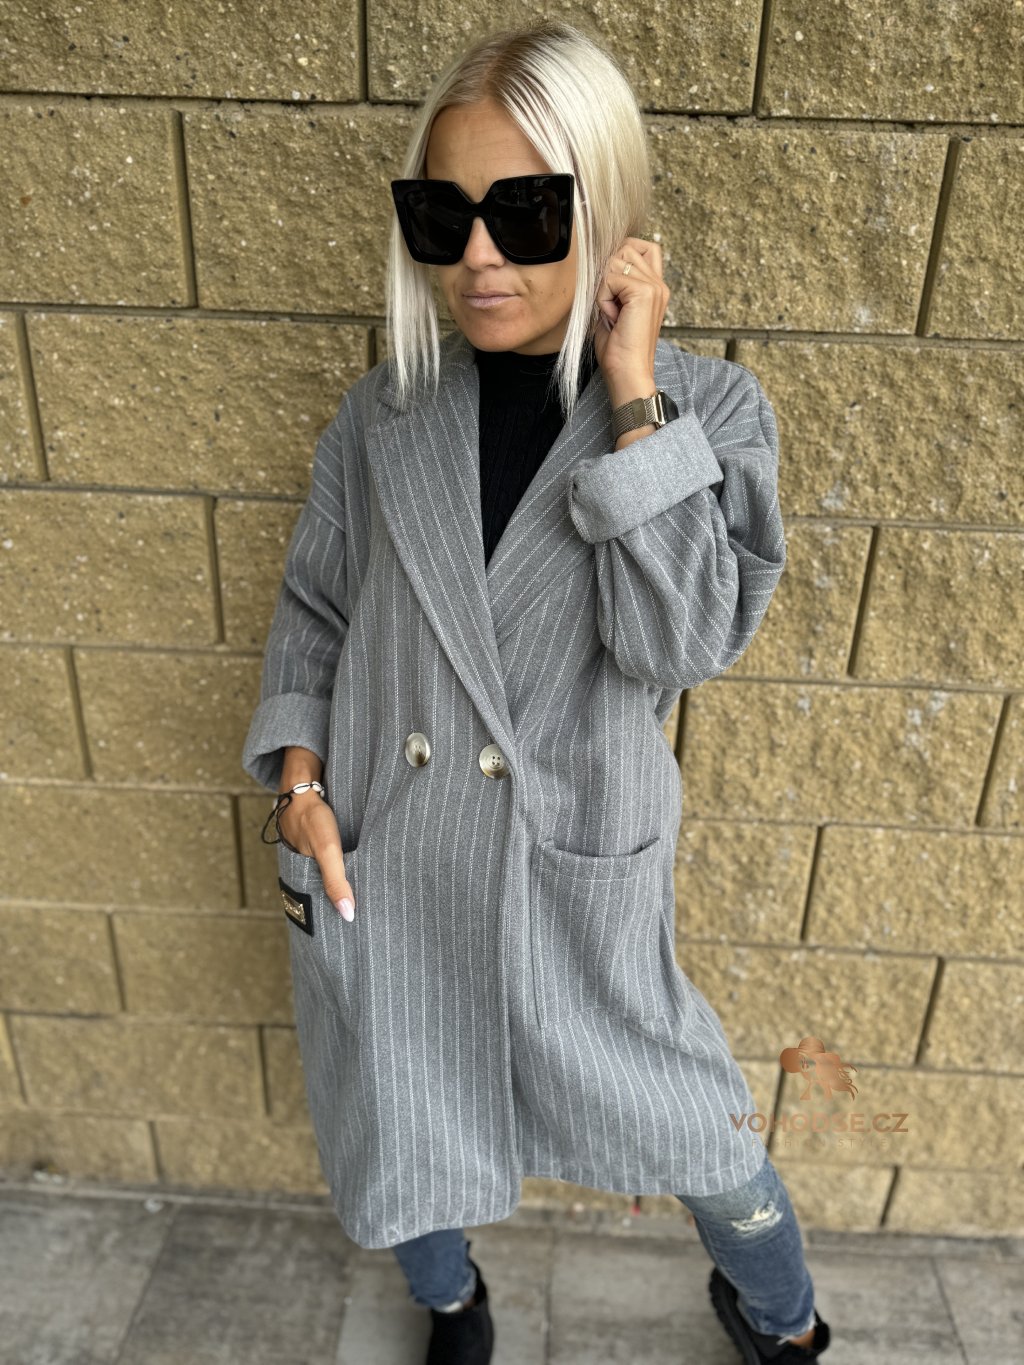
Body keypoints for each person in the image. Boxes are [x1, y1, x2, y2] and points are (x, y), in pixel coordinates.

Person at [242, 18, 831, 1365]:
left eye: (524, 212)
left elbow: (679, 642)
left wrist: (631, 395)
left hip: (572, 868)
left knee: (706, 1136)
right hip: (388, 858)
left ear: (606, 212)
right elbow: (314, 612)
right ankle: (452, 1302)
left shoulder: (709, 411)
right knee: (401, 1125)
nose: (478, 255)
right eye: (442, 214)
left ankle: (784, 1317)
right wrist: (301, 791)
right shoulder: (382, 413)